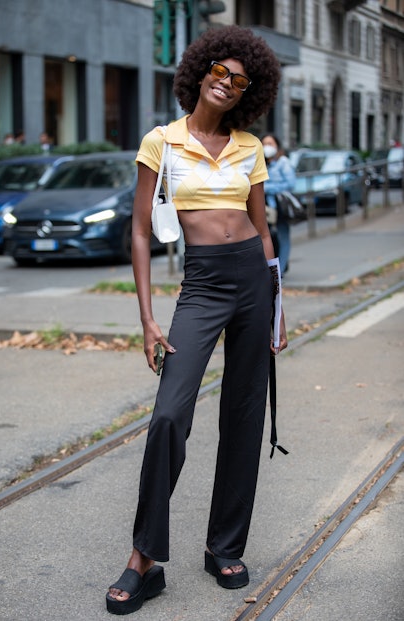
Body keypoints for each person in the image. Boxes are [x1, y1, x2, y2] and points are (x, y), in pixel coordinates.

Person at [106, 24, 287, 616]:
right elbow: (138, 230)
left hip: (253, 282)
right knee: (168, 416)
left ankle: (224, 546)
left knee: (243, 414)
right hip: (204, 282)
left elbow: (263, 231)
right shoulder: (162, 141)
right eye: (220, 72)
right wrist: (148, 318)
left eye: (240, 80)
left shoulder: (251, 147)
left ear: (247, 93)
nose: (228, 84)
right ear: (201, 72)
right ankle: (145, 559)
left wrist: (277, 306)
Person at [261, 134, 296, 275]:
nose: (267, 147)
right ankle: (269, 269)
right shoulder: (260, 162)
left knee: (282, 237)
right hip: (265, 208)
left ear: (277, 145)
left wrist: (266, 188)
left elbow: (290, 184)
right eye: (264, 143)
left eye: (270, 143)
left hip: (280, 207)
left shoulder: (283, 162)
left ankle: (280, 271)